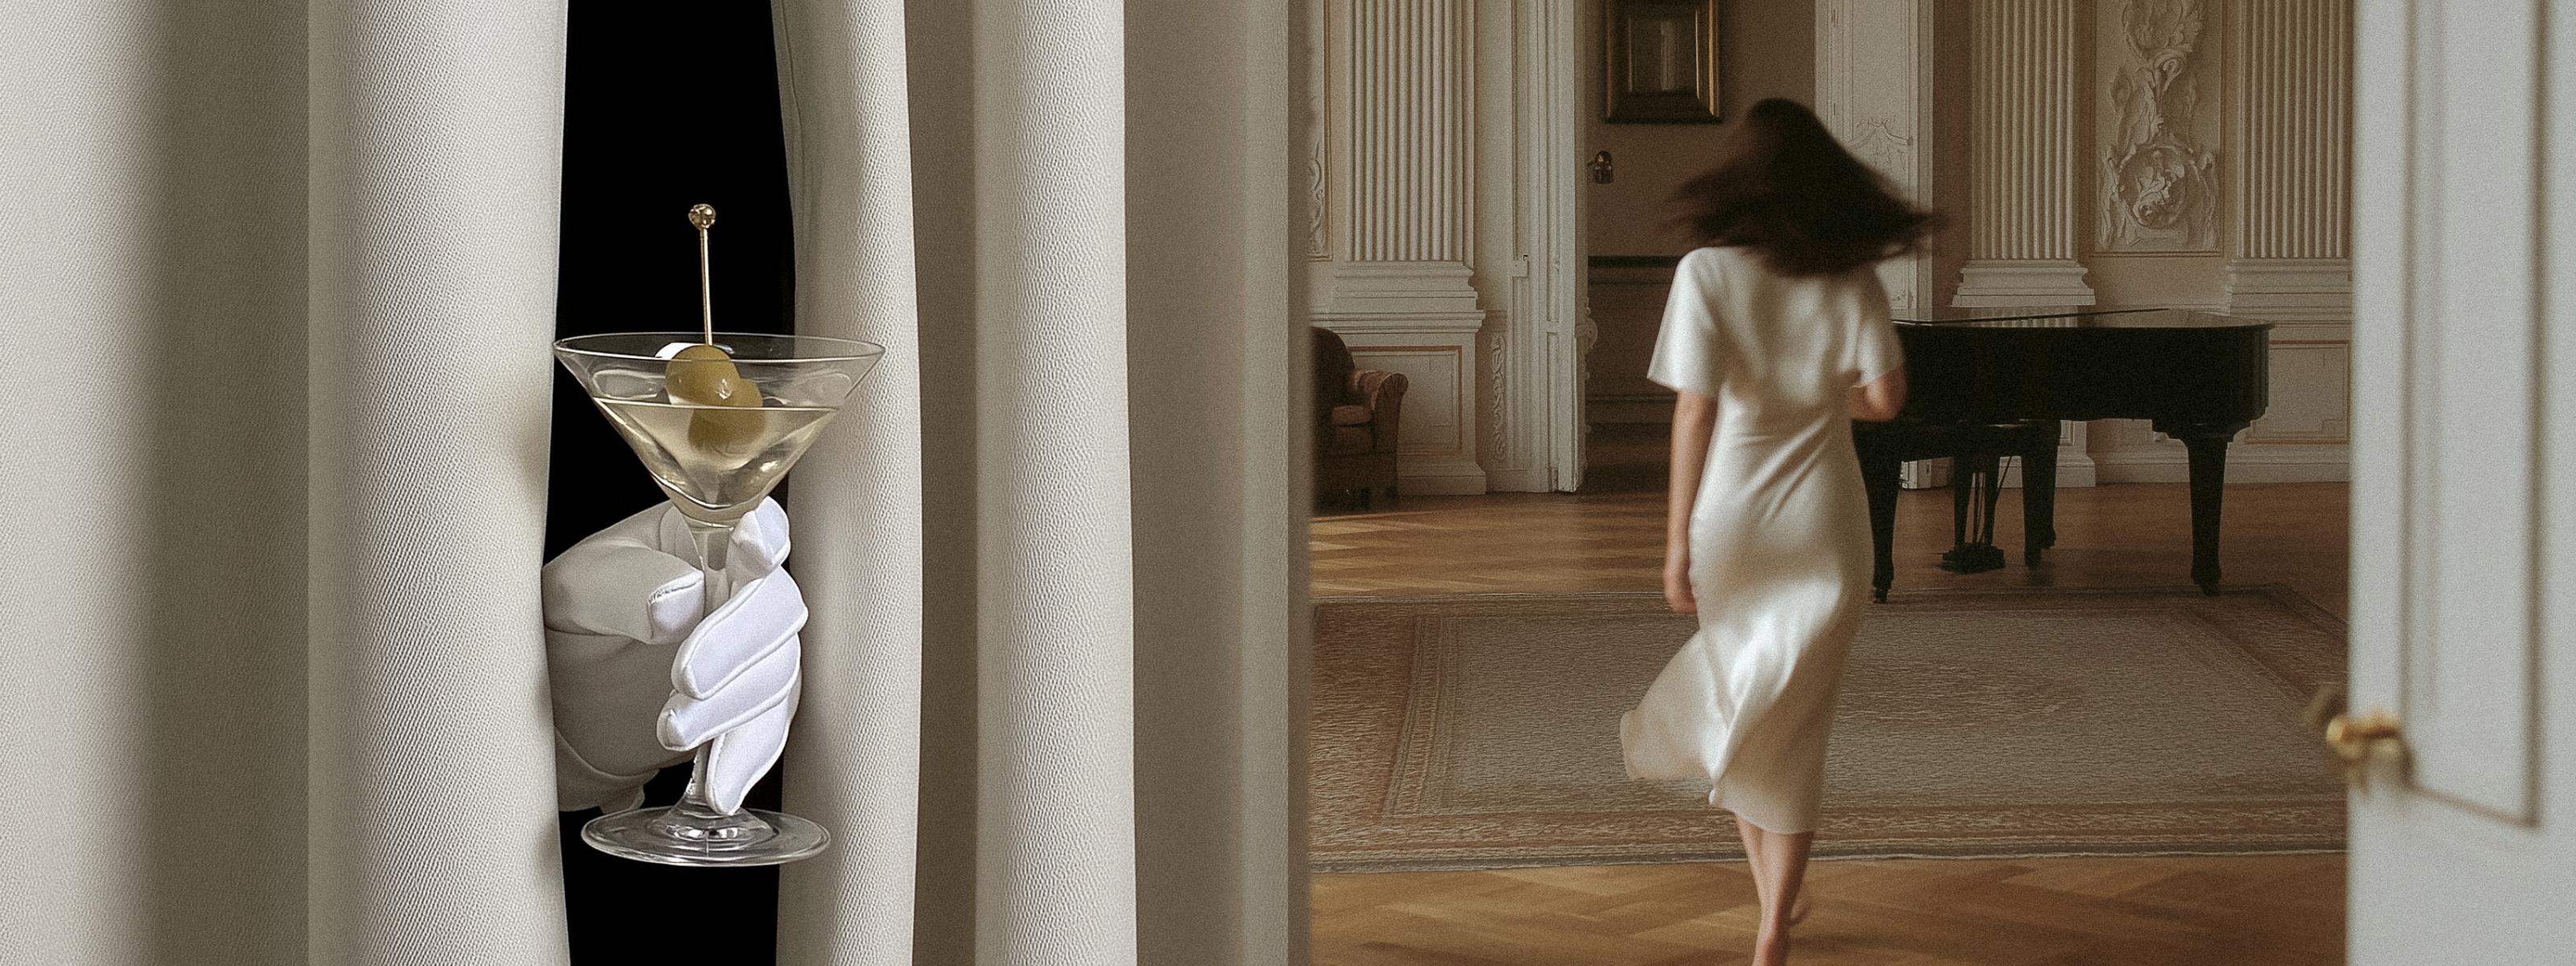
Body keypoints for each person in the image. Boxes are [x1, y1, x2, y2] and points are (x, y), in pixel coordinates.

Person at [1617, 97, 1934, 966]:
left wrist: (1675, 542)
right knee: (1796, 723)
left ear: (1739, 177)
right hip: (1826, 519)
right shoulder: (1852, 277)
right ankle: (1770, 926)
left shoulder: (1705, 274)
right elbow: (1884, 401)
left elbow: (1694, 412)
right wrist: (1812, 394)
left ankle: (1769, 917)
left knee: (1751, 712)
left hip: (1734, 522)